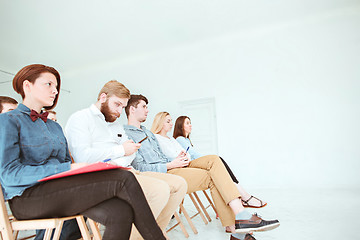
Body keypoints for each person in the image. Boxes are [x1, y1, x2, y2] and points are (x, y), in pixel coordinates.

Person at [0, 64, 166, 240]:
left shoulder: (54, 126)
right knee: (124, 179)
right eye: (48, 84)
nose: (55, 91)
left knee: (120, 212)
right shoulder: (8, 121)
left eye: (56, 87)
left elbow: (65, 163)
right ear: (27, 86)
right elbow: (9, 174)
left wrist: (77, 170)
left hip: (60, 190)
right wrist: (66, 169)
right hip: (27, 198)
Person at [123, 95, 280, 240]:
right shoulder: (126, 134)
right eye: (144, 106)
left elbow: (162, 156)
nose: (147, 110)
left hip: (173, 166)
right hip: (164, 174)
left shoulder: (147, 133)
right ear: (132, 109)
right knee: (213, 175)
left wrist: (175, 159)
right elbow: (139, 167)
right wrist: (170, 164)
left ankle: (240, 220)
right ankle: (238, 225)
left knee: (214, 160)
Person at [65, 80, 187, 239]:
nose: (119, 111)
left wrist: (117, 159)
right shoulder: (80, 119)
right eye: (117, 104)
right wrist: (120, 151)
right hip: (100, 177)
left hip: (126, 170)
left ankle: (146, 234)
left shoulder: (114, 124)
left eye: (122, 107)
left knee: (179, 184)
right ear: (103, 97)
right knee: (160, 190)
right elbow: (83, 156)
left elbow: (131, 153)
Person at [152, 111, 271, 238]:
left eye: (171, 120)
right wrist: (179, 157)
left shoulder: (171, 139)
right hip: (178, 167)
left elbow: (185, 154)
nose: (171, 123)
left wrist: (182, 156)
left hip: (186, 163)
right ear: (160, 123)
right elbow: (167, 157)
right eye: (168, 121)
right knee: (215, 166)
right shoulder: (156, 138)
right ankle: (239, 218)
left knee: (215, 161)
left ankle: (237, 220)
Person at [0, 95, 82, 240]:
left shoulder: (45, 132)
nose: (16, 116)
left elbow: (64, 161)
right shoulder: (8, 130)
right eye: (10, 112)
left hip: (48, 186)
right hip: (24, 194)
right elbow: (11, 174)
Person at [173, 115, 266, 209]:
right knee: (218, 162)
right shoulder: (179, 139)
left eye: (190, 123)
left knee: (219, 171)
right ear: (181, 126)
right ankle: (244, 197)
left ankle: (236, 200)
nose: (191, 125)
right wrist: (209, 160)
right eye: (187, 123)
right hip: (188, 167)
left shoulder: (186, 139)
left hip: (193, 165)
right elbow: (193, 155)